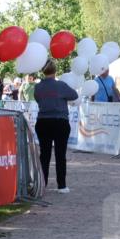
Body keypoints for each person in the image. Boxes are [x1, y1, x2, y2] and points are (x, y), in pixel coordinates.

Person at [33, 60, 80, 193]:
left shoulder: (38, 87)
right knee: (60, 154)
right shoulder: (61, 85)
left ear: (43, 71)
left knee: (44, 154)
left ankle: (43, 183)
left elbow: (38, 99)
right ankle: (61, 185)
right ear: (55, 71)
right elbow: (74, 95)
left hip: (43, 121)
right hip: (60, 121)